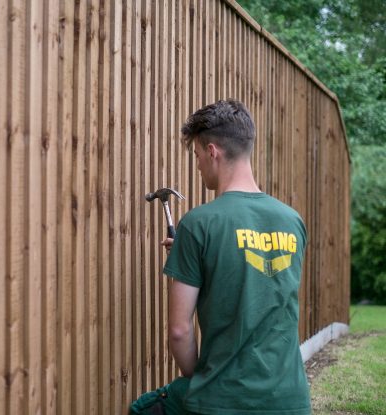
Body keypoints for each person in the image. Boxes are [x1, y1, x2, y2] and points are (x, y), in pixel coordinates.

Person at [130, 99, 311, 414]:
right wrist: (193, 258)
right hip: (290, 399)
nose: (198, 165)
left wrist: (199, 379)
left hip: (223, 398)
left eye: (197, 155)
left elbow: (179, 331)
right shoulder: (292, 221)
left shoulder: (199, 224)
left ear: (212, 151)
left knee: (142, 409)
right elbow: (261, 281)